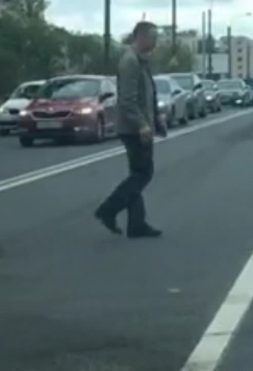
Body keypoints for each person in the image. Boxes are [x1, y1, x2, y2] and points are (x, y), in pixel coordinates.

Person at [95, 21, 167, 239]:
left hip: (140, 125)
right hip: (133, 128)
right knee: (142, 174)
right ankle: (108, 210)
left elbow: (147, 95)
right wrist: (143, 124)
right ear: (142, 37)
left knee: (137, 174)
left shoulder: (140, 61)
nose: (155, 42)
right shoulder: (130, 62)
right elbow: (127, 100)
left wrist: (156, 119)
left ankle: (136, 225)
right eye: (153, 37)